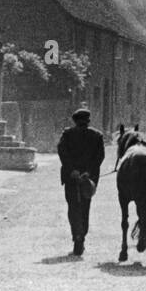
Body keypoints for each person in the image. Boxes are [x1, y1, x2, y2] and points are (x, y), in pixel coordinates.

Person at [58, 108, 105, 256]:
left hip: (71, 178)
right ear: (88, 121)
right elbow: (99, 157)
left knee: (73, 207)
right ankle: (81, 237)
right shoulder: (97, 136)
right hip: (88, 180)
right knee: (85, 207)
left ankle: (77, 236)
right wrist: (88, 172)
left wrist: (72, 170)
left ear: (75, 121)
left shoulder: (67, 134)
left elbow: (62, 152)